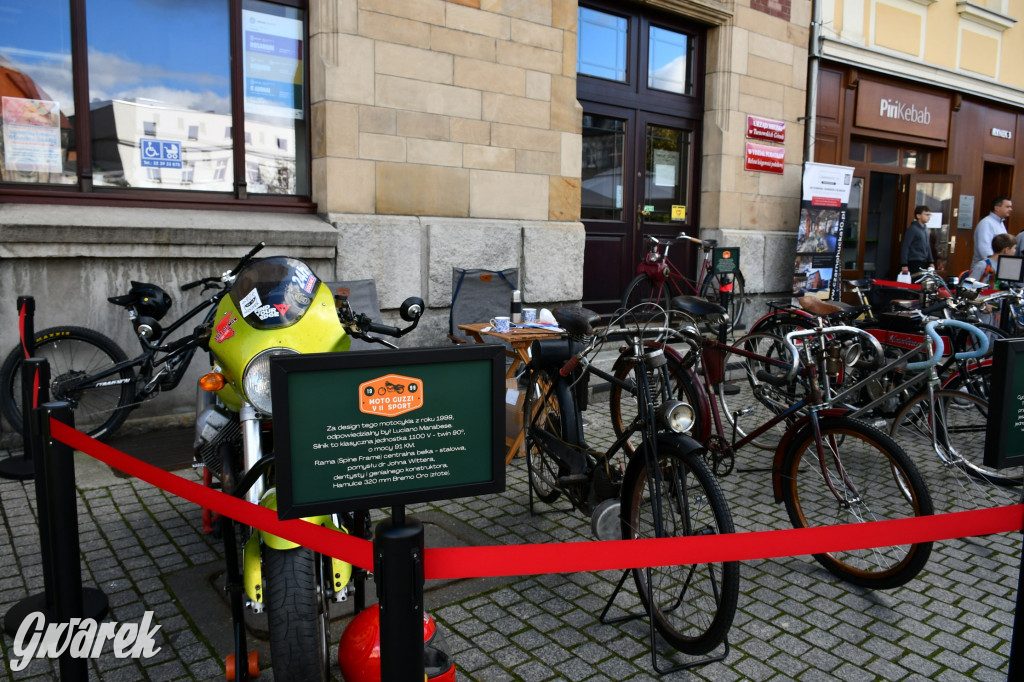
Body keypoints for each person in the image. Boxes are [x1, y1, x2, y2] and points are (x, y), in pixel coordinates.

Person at [972, 196, 1013, 266]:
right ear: (997, 208)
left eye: (1010, 207)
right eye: (1007, 207)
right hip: (986, 270)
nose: (1010, 209)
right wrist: (993, 264)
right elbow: (984, 249)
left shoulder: (1000, 223)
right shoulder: (986, 223)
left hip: (996, 266)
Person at [900, 205, 934, 277]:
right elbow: (905, 247)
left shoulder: (926, 229)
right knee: (916, 282)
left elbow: (928, 246)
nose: (928, 217)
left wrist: (931, 261)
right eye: (926, 214)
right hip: (914, 261)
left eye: (929, 215)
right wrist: (904, 264)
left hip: (924, 261)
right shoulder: (913, 229)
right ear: (918, 215)